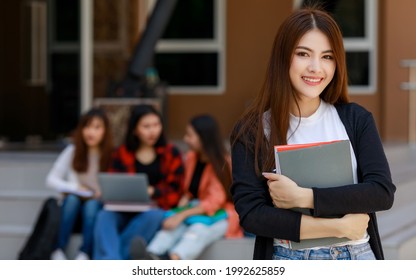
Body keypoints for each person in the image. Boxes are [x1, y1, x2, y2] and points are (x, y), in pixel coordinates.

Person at [230, 6, 396, 260]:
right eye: (303, 54)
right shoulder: (251, 130)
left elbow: (381, 192)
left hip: (357, 255)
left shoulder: (355, 119)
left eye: (327, 57)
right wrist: (336, 227)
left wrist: (305, 197)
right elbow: (252, 215)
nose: (316, 67)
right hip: (288, 257)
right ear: (283, 57)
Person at [132, 114, 243, 260]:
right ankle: (151, 254)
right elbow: (188, 191)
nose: (185, 139)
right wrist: (178, 210)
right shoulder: (191, 158)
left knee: (197, 231)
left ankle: (173, 258)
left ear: (204, 138)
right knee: (170, 230)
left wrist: (181, 215)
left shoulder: (222, 163)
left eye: (190, 136)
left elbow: (213, 202)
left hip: (220, 215)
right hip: (195, 210)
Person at [93, 104, 184, 260]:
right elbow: (114, 181)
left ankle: (111, 262)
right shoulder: (121, 153)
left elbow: (176, 190)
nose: (152, 131)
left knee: (153, 216)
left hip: (155, 208)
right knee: (104, 216)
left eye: (156, 125)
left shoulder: (171, 153)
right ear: (134, 130)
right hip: (124, 207)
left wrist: (153, 191)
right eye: (146, 126)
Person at [47, 108, 114, 260]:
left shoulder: (110, 154)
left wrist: (102, 193)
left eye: (97, 127)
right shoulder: (73, 151)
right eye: (87, 126)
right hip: (75, 203)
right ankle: (58, 250)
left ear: (105, 131)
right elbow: (51, 179)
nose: (91, 132)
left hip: (96, 203)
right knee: (71, 200)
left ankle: (84, 253)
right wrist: (76, 188)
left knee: (91, 206)